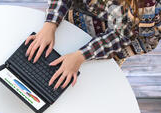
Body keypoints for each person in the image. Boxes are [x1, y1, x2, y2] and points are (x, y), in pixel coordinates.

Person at [25, 0, 161, 89]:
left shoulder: (146, 4)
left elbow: (121, 35)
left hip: (125, 34)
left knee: (89, 85)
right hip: (87, 13)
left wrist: (80, 56)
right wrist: (50, 24)